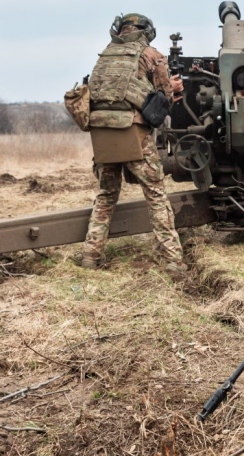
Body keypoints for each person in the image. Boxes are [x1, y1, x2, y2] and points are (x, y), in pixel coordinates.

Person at [81, 13, 185, 273]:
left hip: (103, 134)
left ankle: (90, 258)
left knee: (105, 196)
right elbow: (163, 99)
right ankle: (174, 263)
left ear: (120, 29)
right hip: (133, 133)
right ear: (146, 31)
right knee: (156, 196)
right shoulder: (151, 54)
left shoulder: (105, 55)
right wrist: (172, 87)